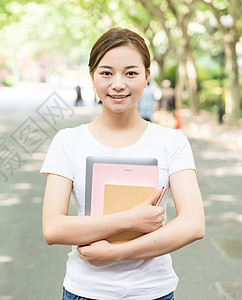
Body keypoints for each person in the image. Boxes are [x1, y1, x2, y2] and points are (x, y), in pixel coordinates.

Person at [40, 28, 205, 300]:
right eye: (106, 73)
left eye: (131, 73)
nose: (118, 84)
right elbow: (54, 228)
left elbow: (194, 224)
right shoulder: (67, 141)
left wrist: (116, 253)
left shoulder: (171, 141)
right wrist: (130, 219)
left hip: (153, 292)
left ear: (147, 76)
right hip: (85, 291)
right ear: (92, 76)